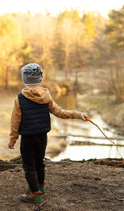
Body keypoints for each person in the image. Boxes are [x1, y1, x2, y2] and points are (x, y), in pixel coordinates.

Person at [8, 63, 89, 203]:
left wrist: (12, 139)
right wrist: (77, 114)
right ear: (40, 78)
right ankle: (41, 186)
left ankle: (35, 193)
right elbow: (60, 112)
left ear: (24, 79)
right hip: (42, 137)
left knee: (29, 165)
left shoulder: (20, 99)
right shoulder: (46, 95)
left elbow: (15, 121)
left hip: (28, 138)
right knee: (40, 162)